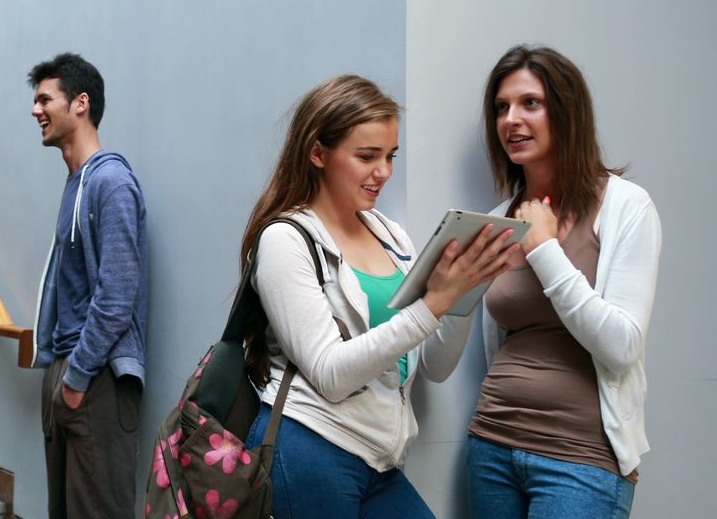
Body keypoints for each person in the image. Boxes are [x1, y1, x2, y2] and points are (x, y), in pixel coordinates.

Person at [241, 75, 517, 518]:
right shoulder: (285, 239)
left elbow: (434, 366)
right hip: (310, 444)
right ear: (317, 153)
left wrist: (463, 294)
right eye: (367, 156)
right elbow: (330, 374)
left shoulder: (391, 237)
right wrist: (433, 305)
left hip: (379, 458)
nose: (384, 171)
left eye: (390, 156)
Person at [463, 45, 661, 518]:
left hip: (584, 459)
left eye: (531, 103)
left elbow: (622, 346)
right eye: (501, 107)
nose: (511, 119)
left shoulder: (627, 206)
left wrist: (547, 251)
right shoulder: (495, 221)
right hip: (491, 443)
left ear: (567, 111)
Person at [28, 52, 148, 518]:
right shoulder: (76, 183)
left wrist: (75, 378)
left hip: (95, 378)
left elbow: (118, 295)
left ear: (81, 103)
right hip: (68, 368)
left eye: (44, 99)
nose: (35, 110)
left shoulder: (111, 182)